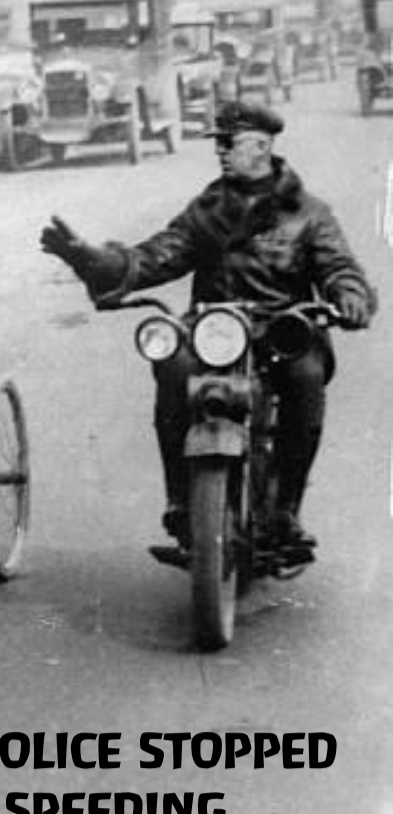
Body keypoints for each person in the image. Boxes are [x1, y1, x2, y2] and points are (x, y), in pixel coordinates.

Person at [39, 101, 375, 552]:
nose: (219, 151)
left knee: (305, 378)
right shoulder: (207, 209)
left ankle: (284, 511)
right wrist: (94, 260)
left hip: (283, 330)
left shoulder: (309, 213)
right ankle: (181, 500)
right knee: (173, 369)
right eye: (218, 143)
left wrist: (349, 297)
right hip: (216, 331)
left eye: (227, 142)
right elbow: (158, 255)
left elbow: (340, 267)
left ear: (261, 145)